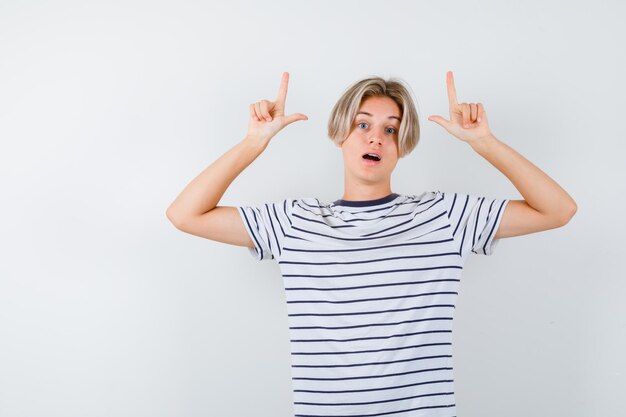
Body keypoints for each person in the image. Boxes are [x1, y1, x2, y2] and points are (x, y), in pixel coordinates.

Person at [166, 71, 577, 416]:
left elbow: (558, 210)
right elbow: (185, 214)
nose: (375, 138)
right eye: (362, 124)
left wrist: (483, 141)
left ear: (403, 144)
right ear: (340, 135)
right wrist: (254, 142)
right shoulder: (295, 222)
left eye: (390, 129)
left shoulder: (443, 217)